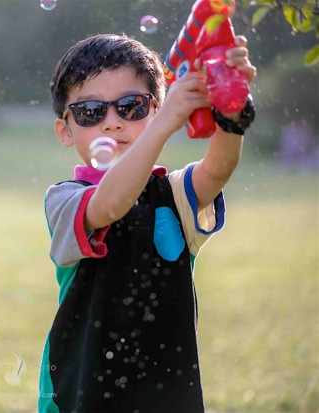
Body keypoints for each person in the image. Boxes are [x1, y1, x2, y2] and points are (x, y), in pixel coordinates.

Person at [37, 33, 256, 413]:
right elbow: (110, 204)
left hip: (167, 393)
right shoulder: (64, 198)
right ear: (65, 131)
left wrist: (231, 105)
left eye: (132, 107)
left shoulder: (172, 194)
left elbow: (220, 167)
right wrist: (164, 123)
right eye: (91, 112)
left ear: (155, 110)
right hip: (79, 391)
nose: (112, 123)